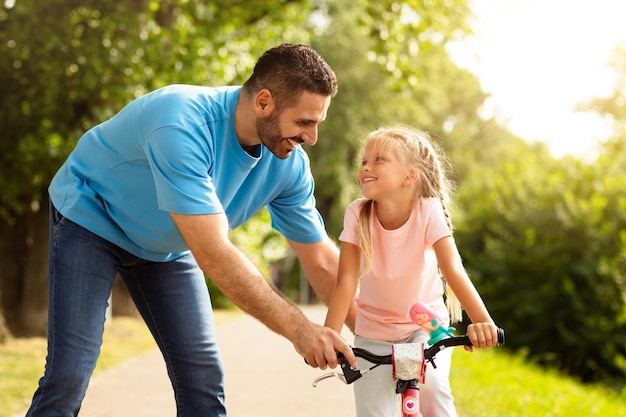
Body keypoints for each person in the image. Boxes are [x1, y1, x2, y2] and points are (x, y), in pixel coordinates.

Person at [26, 43, 357, 417]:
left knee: (202, 377)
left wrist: (378, 333)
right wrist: (300, 329)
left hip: (169, 245)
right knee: (69, 375)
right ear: (264, 101)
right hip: (92, 219)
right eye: (304, 122)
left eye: (317, 123)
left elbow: (322, 260)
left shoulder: (288, 163)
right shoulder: (181, 121)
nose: (311, 138)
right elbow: (214, 252)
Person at [324, 126, 499, 417]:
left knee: (431, 389)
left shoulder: (427, 210)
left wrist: (483, 322)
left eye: (379, 159)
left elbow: (453, 269)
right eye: (364, 161)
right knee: (373, 411)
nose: (366, 166)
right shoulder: (358, 213)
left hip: (425, 328)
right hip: (373, 334)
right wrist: (329, 335)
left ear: (409, 176)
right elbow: (346, 280)